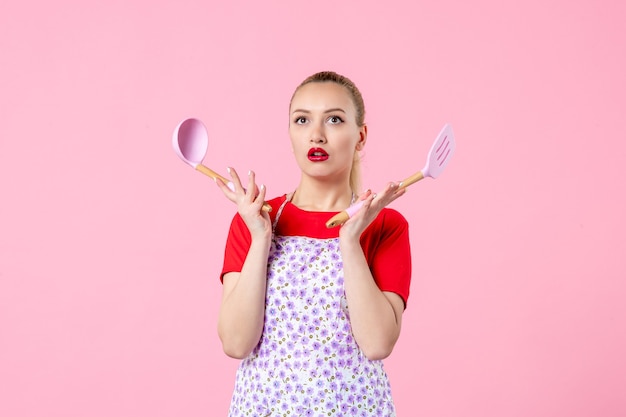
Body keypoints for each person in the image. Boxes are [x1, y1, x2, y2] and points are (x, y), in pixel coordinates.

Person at [215, 71, 412, 417]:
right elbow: (235, 342)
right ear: (290, 133)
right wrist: (261, 239)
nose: (316, 135)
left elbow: (378, 343)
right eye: (302, 120)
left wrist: (349, 242)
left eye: (334, 119)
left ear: (361, 136)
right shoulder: (255, 221)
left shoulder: (384, 225)